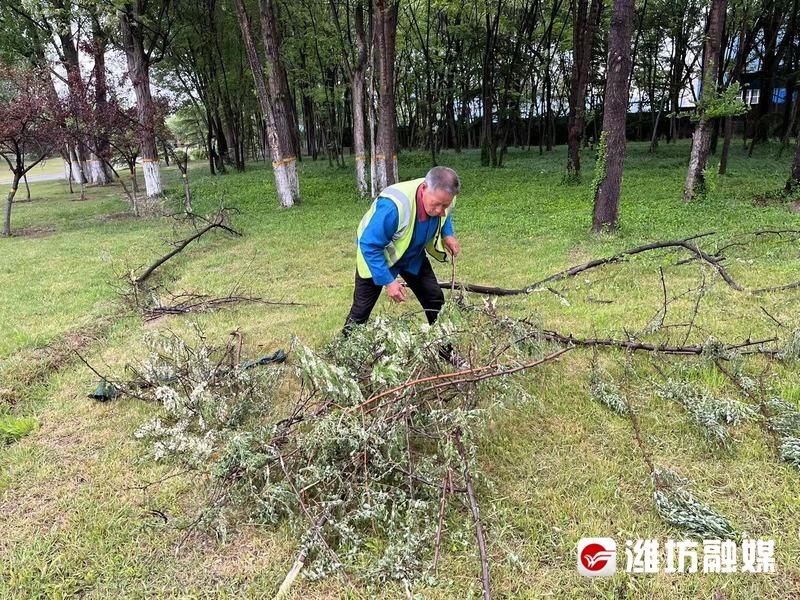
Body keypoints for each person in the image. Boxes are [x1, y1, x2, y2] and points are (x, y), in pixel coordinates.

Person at [343, 166, 467, 367]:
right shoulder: (393, 207)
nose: (440, 211)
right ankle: (343, 355)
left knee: (435, 299)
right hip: (377, 259)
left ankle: (446, 351)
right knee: (360, 312)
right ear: (424, 188)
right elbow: (369, 244)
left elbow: (446, 215)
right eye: (436, 205)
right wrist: (388, 281)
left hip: (412, 256)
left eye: (445, 205)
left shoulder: (445, 196)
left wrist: (447, 233)